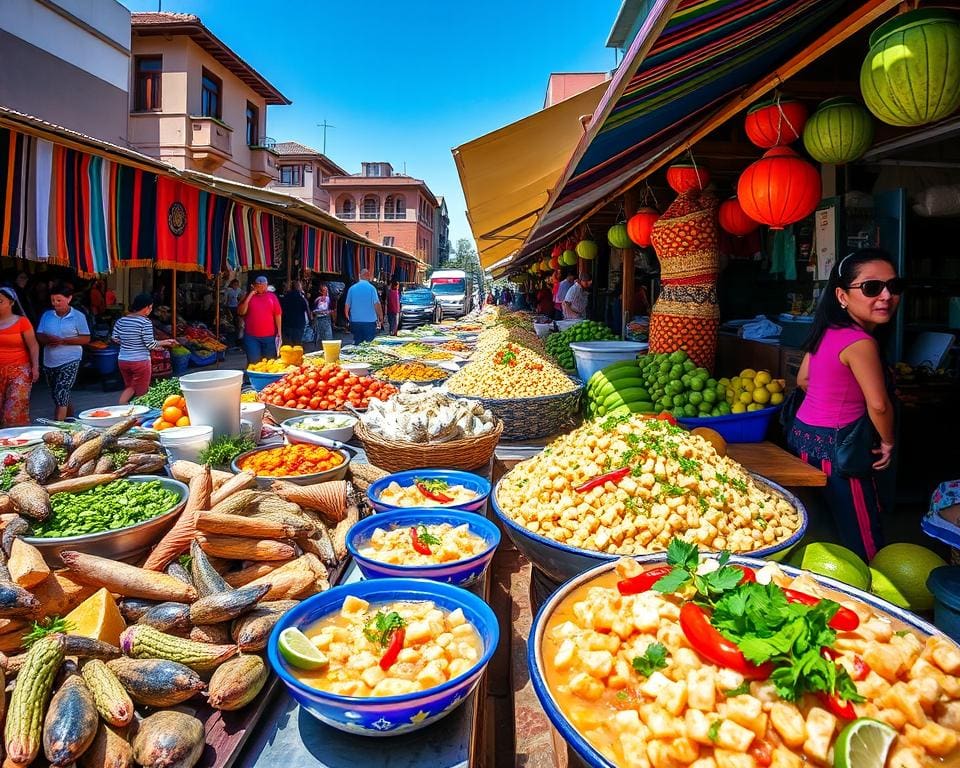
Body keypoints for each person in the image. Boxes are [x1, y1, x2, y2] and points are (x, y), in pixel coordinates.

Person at [786, 248, 902, 561]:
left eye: (894, 286)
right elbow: (878, 405)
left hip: (804, 439)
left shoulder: (827, 330)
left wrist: (835, 393)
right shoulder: (861, 342)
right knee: (862, 536)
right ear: (842, 295)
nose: (886, 296)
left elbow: (803, 380)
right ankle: (870, 594)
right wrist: (889, 441)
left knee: (822, 527)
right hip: (841, 450)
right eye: (871, 287)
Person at [36, 282, 90, 421]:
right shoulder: (47, 315)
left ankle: (58, 426)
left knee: (62, 390)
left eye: (59, 300)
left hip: (70, 359)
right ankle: (71, 418)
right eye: (53, 300)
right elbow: (39, 335)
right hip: (49, 360)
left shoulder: (78, 316)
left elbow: (85, 338)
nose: (55, 303)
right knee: (57, 393)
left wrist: (64, 341)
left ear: (69, 298)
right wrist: (48, 339)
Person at [112, 294, 177, 405]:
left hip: (123, 360)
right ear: (146, 307)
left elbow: (115, 338)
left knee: (131, 386)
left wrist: (129, 343)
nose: (151, 310)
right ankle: (123, 405)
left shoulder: (121, 320)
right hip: (140, 361)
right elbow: (150, 344)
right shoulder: (145, 322)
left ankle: (127, 408)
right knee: (141, 392)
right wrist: (166, 342)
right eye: (151, 307)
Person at [0, 286, 39, 426]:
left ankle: (17, 441)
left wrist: (35, 367)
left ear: (11, 303)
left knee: (13, 412)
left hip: (19, 371)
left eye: (0, 301)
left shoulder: (22, 322)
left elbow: (33, 346)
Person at [237, 276, 282, 364]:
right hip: (252, 337)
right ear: (254, 285)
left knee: (269, 362)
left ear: (267, 285)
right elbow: (241, 312)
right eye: (259, 285)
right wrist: (250, 294)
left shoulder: (272, 297)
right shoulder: (248, 296)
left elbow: (278, 314)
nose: (261, 287)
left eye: (264, 285)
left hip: (269, 336)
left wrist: (279, 332)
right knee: (254, 362)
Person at [344, 269, 383, 345]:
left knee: (357, 342)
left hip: (355, 321)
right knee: (368, 344)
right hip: (369, 322)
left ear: (359, 276)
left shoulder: (352, 289)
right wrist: (380, 317)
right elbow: (377, 304)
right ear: (368, 276)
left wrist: (347, 316)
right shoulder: (372, 288)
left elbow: (347, 305)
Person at [280, 280, 310, 346]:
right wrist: (311, 319)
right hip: (298, 325)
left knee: (288, 345)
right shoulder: (301, 298)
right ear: (298, 287)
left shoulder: (285, 297)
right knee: (297, 345)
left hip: (287, 324)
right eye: (301, 286)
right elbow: (307, 309)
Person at [311, 283, 335, 348]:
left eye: (327, 291)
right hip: (319, 320)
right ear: (320, 291)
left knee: (328, 336)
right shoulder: (317, 300)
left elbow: (332, 310)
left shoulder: (329, 299)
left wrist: (333, 320)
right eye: (324, 291)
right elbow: (313, 310)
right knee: (319, 337)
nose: (326, 292)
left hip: (327, 320)